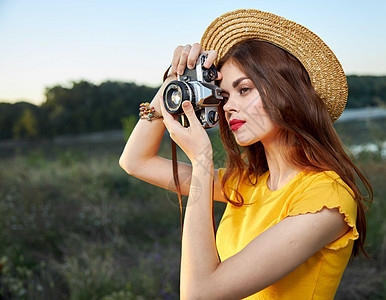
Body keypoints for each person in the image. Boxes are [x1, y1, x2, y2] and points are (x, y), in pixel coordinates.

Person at [120, 9, 372, 300]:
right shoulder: (246, 185)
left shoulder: (327, 198)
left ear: (288, 93)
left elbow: (199, 294)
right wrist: (174, 83)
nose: (227, 107)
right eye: (224, 96)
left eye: (244, 89)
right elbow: (135, 161)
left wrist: (202, 162)